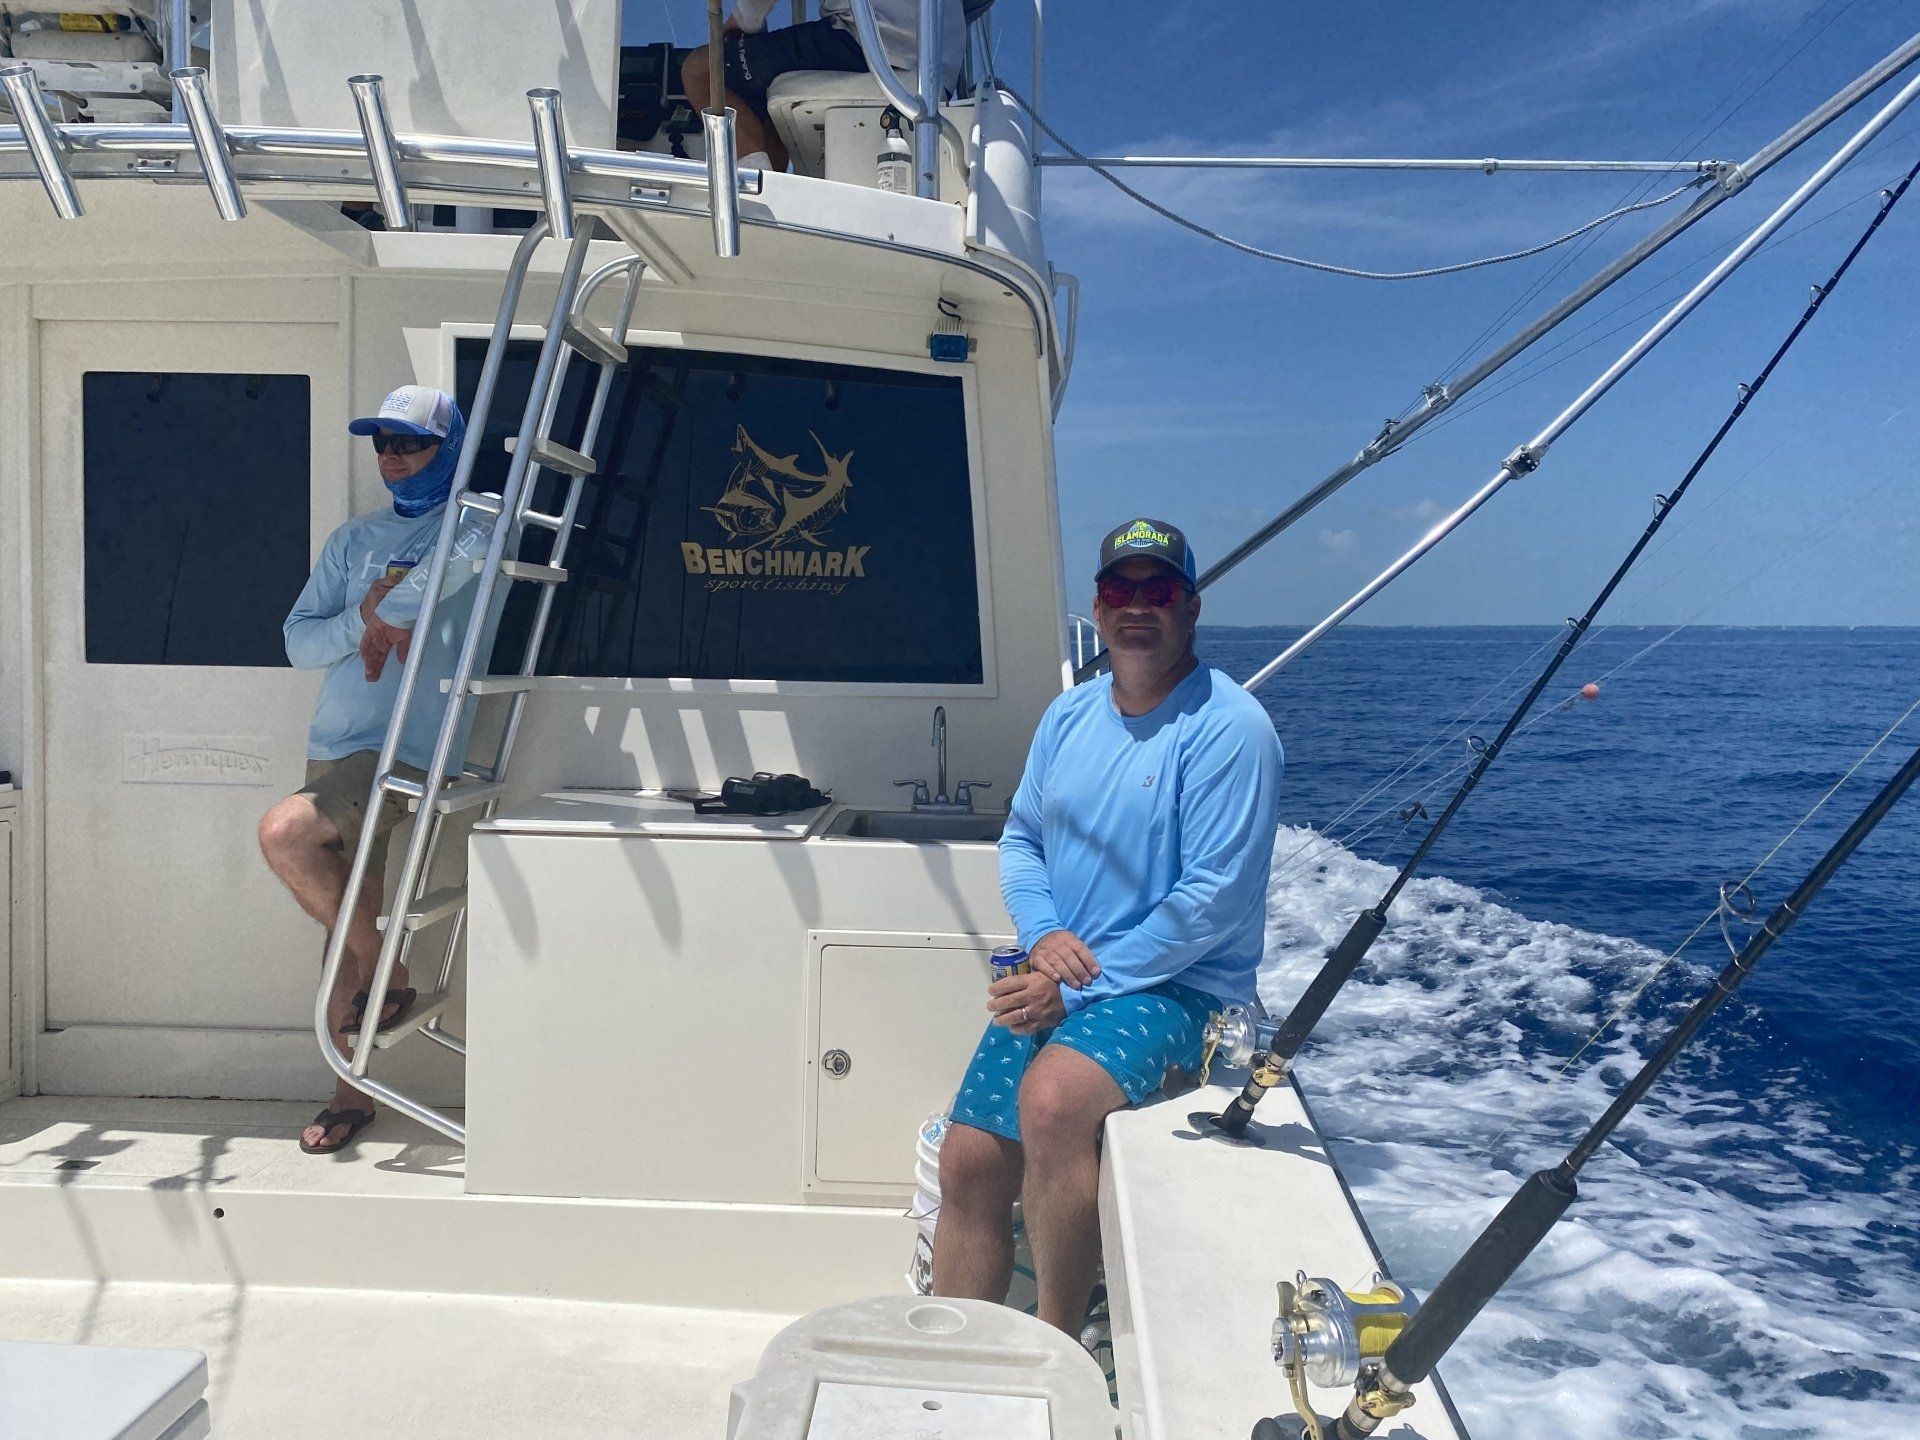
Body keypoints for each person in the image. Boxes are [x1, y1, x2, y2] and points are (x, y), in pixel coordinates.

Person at [930, 518, 1285, 1334]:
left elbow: (1212, 901)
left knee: (1053, 1103)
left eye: (1157, 591)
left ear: (1190, 609)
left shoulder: (1232, 730)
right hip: (1069, 978)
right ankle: (956, 1353)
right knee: (970, 1160)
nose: (1136, 607)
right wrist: (1046, 935)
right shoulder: (1069, 717)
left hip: (1181, 987)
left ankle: (1062, 1340)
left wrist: (1074, 981)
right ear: (1097, 605)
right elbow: (1022, 838)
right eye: (1119, 590)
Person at [257, 384, 484, 1156]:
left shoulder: (480, 522)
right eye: (381, 442)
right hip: (341, 745)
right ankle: (355, 1076)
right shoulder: (353, 540)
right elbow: (297, 642)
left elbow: (444, 579)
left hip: (415, 748)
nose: (391, 456)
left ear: (448, 448)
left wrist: (384, 613)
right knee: (345, 903)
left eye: (408, 442)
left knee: (286, 834)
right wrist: (366, 620)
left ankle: (377, 965)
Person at [681, 0, 965, 174]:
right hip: (935, 69)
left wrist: (741, 22)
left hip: (870, 40)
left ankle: (757, 195)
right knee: (761, 85)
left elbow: (752, 13)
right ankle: (770, 187)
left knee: (702, 70)